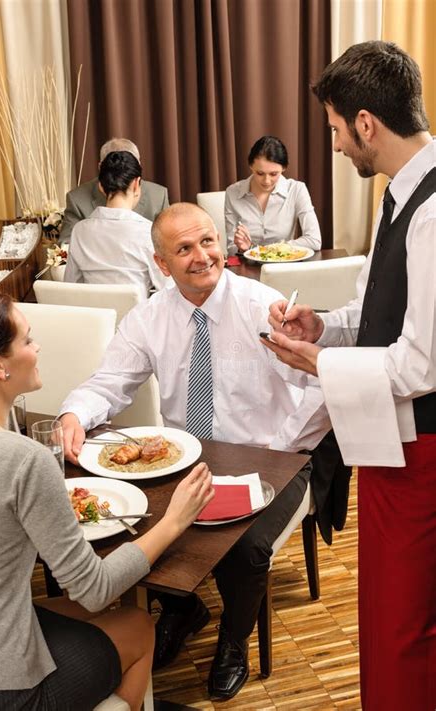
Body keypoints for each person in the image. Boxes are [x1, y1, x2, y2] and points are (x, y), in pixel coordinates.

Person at [59, 202, 332, 700]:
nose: (201, 256)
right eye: (183, 249)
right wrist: (75, 413)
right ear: (162, 264)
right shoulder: (149, 317)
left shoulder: (261, 306)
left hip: (270, 455)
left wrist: (281, 450)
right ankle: (184, 610)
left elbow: (318, 385)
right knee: (136, 521)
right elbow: (110, 382)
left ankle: (234, 639)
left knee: (245, 548)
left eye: (207, 241)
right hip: (188, 458)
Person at [262, 42, 435, 711]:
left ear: (366, 123)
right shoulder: (403, 193)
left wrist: (320, 364)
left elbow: (421, 363)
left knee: (404, 631)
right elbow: (379, 309)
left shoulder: (433, 208)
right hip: (393, 444)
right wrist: (323, 326)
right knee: (389, 618)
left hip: (424, 450)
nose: (335, 146)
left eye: (336, 129)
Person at [0, 292, 213, 711]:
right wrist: (174, 521)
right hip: (0, 693)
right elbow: (93, 589)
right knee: (135, 622)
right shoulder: (25, 460)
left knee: (68, 608)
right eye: (27, 340)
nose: (37, 347)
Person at [64, 151, 169, 298]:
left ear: (101, 186)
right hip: (137, 318)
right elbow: (167, 289)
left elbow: (71, 286)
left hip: (95, 318)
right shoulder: (148, 232)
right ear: (136, 184)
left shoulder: (79, 231)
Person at [224, 135, 322, 255]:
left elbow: (314, 240)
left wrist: (260, 250)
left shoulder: (296, 190)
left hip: (284, 267)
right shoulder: (233, 193)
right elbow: (231, 249)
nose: (266, 181)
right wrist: (241, 248)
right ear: (250, 166)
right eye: (260, 173)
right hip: (247, 268)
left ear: (284, 168)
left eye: (274, 174)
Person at [60, 137, 169, 244]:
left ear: (138, 166)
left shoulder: (159, 195)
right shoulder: (77, 200)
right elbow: (66, 246)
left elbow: (169, 242)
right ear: (101, 167)